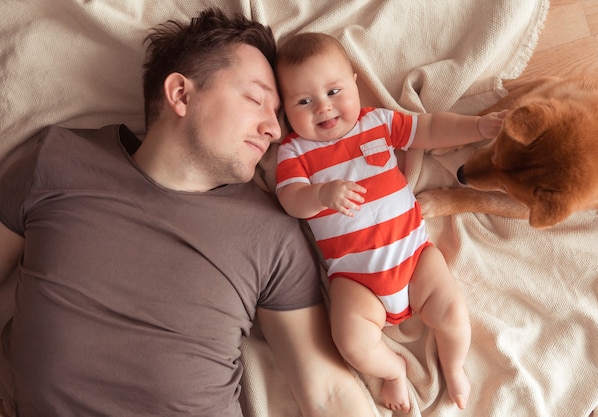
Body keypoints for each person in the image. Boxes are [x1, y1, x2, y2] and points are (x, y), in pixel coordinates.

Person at [0, 10, 375, 417]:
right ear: (180, 94)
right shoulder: (57, 161)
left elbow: (328, 393)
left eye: (279, 114)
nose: (275, 131)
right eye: (255, 100)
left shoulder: (272, 233)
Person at [274, 32, 506, 412]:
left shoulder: (377, 123)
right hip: (354, 277)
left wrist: (476, 128)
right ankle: (394, 371)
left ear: (354, 81)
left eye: (333, 91)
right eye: (304, 101)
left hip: (414, 256)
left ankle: (454, 366)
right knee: (350, 340)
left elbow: (429, 129)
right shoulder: (295, 151)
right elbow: (289, 199)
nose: (323, 108)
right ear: (285, 110)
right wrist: (319, 195)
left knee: (451, 311)